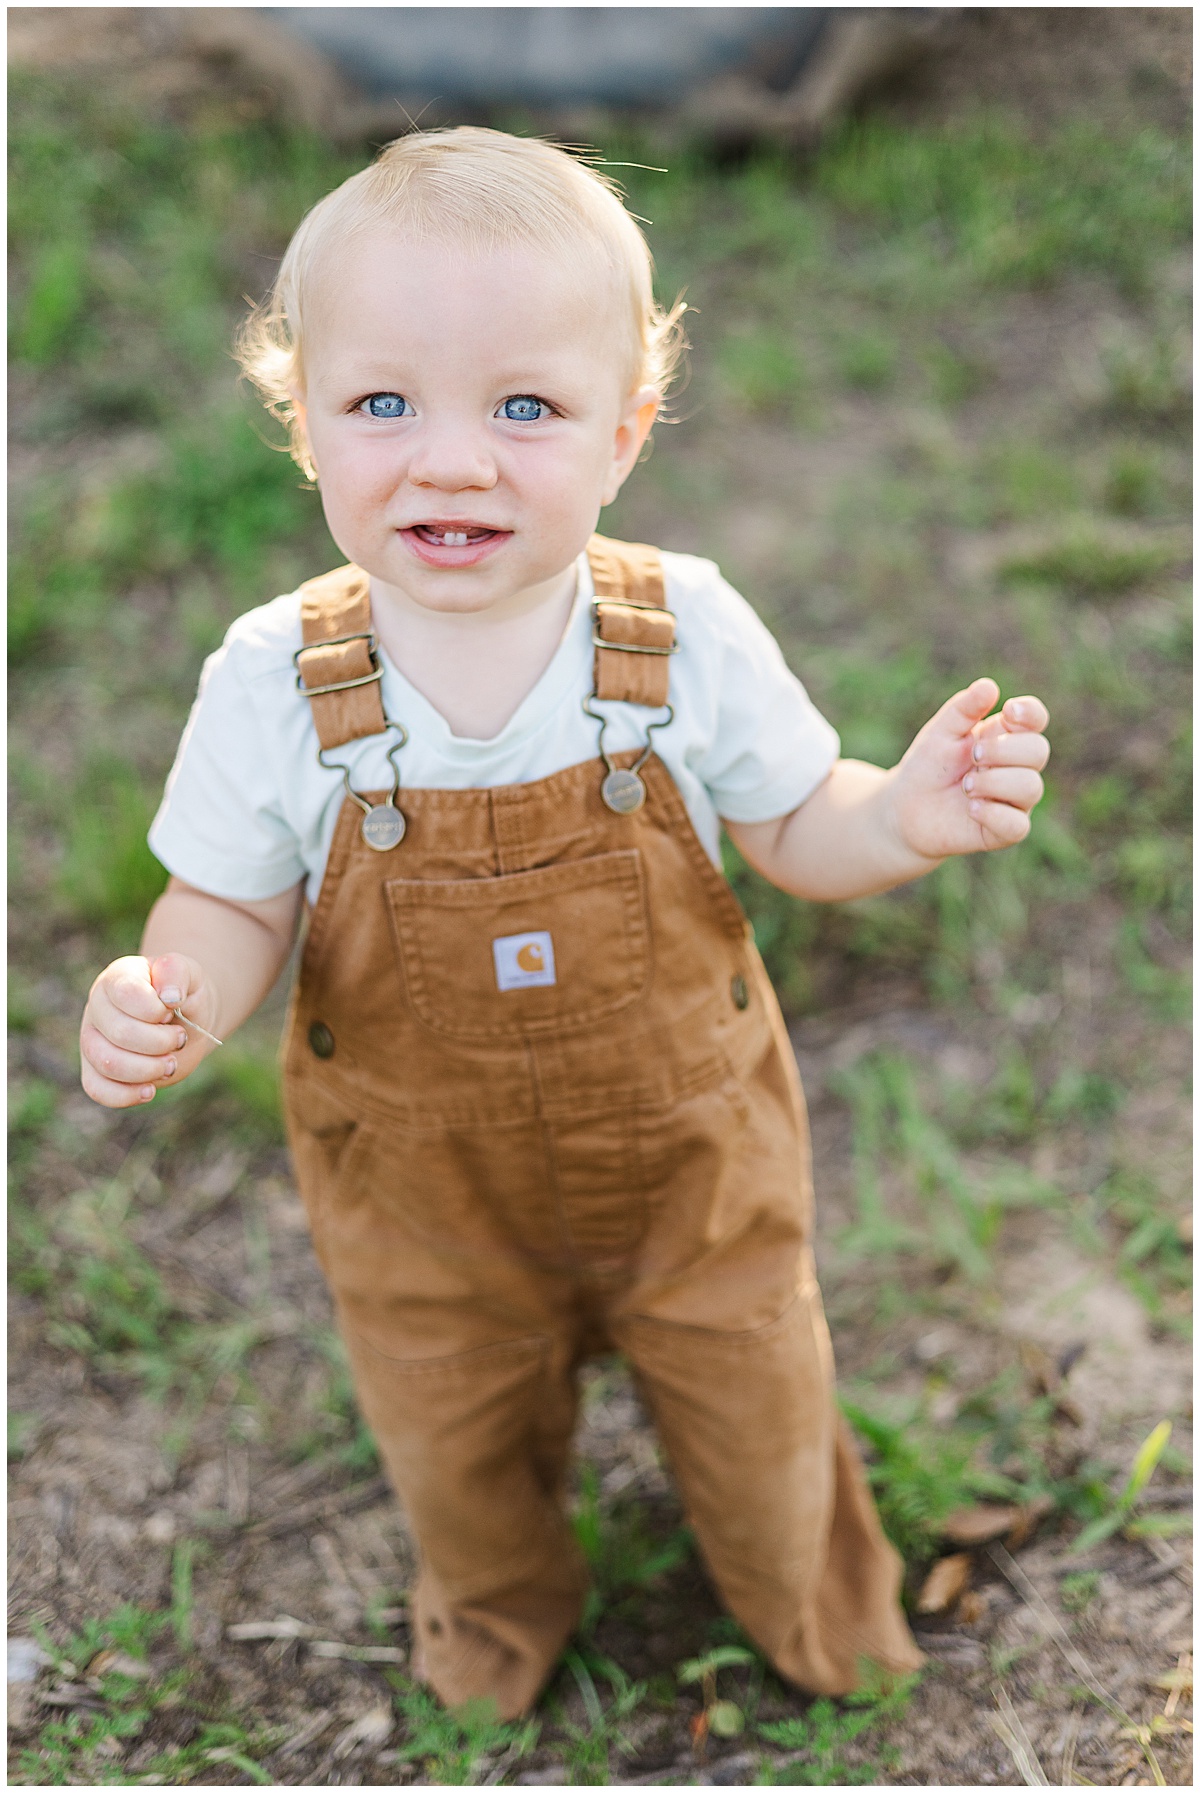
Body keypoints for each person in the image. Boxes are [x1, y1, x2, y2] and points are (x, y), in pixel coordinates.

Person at [79, 127, 1049, 1719]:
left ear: (626, 432)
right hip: (422, 1191)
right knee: (451, 1421)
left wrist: (903, 817)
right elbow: (231, 893)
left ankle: (817, 1609)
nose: (450, 457)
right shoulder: (272, 677)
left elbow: (802, 822)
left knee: (759, 1396)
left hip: (691, 1161)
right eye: (383, 403)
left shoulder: (685, 631)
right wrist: (172, 985)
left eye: (523, 406)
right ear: (300, 421)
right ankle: (493, 1610)